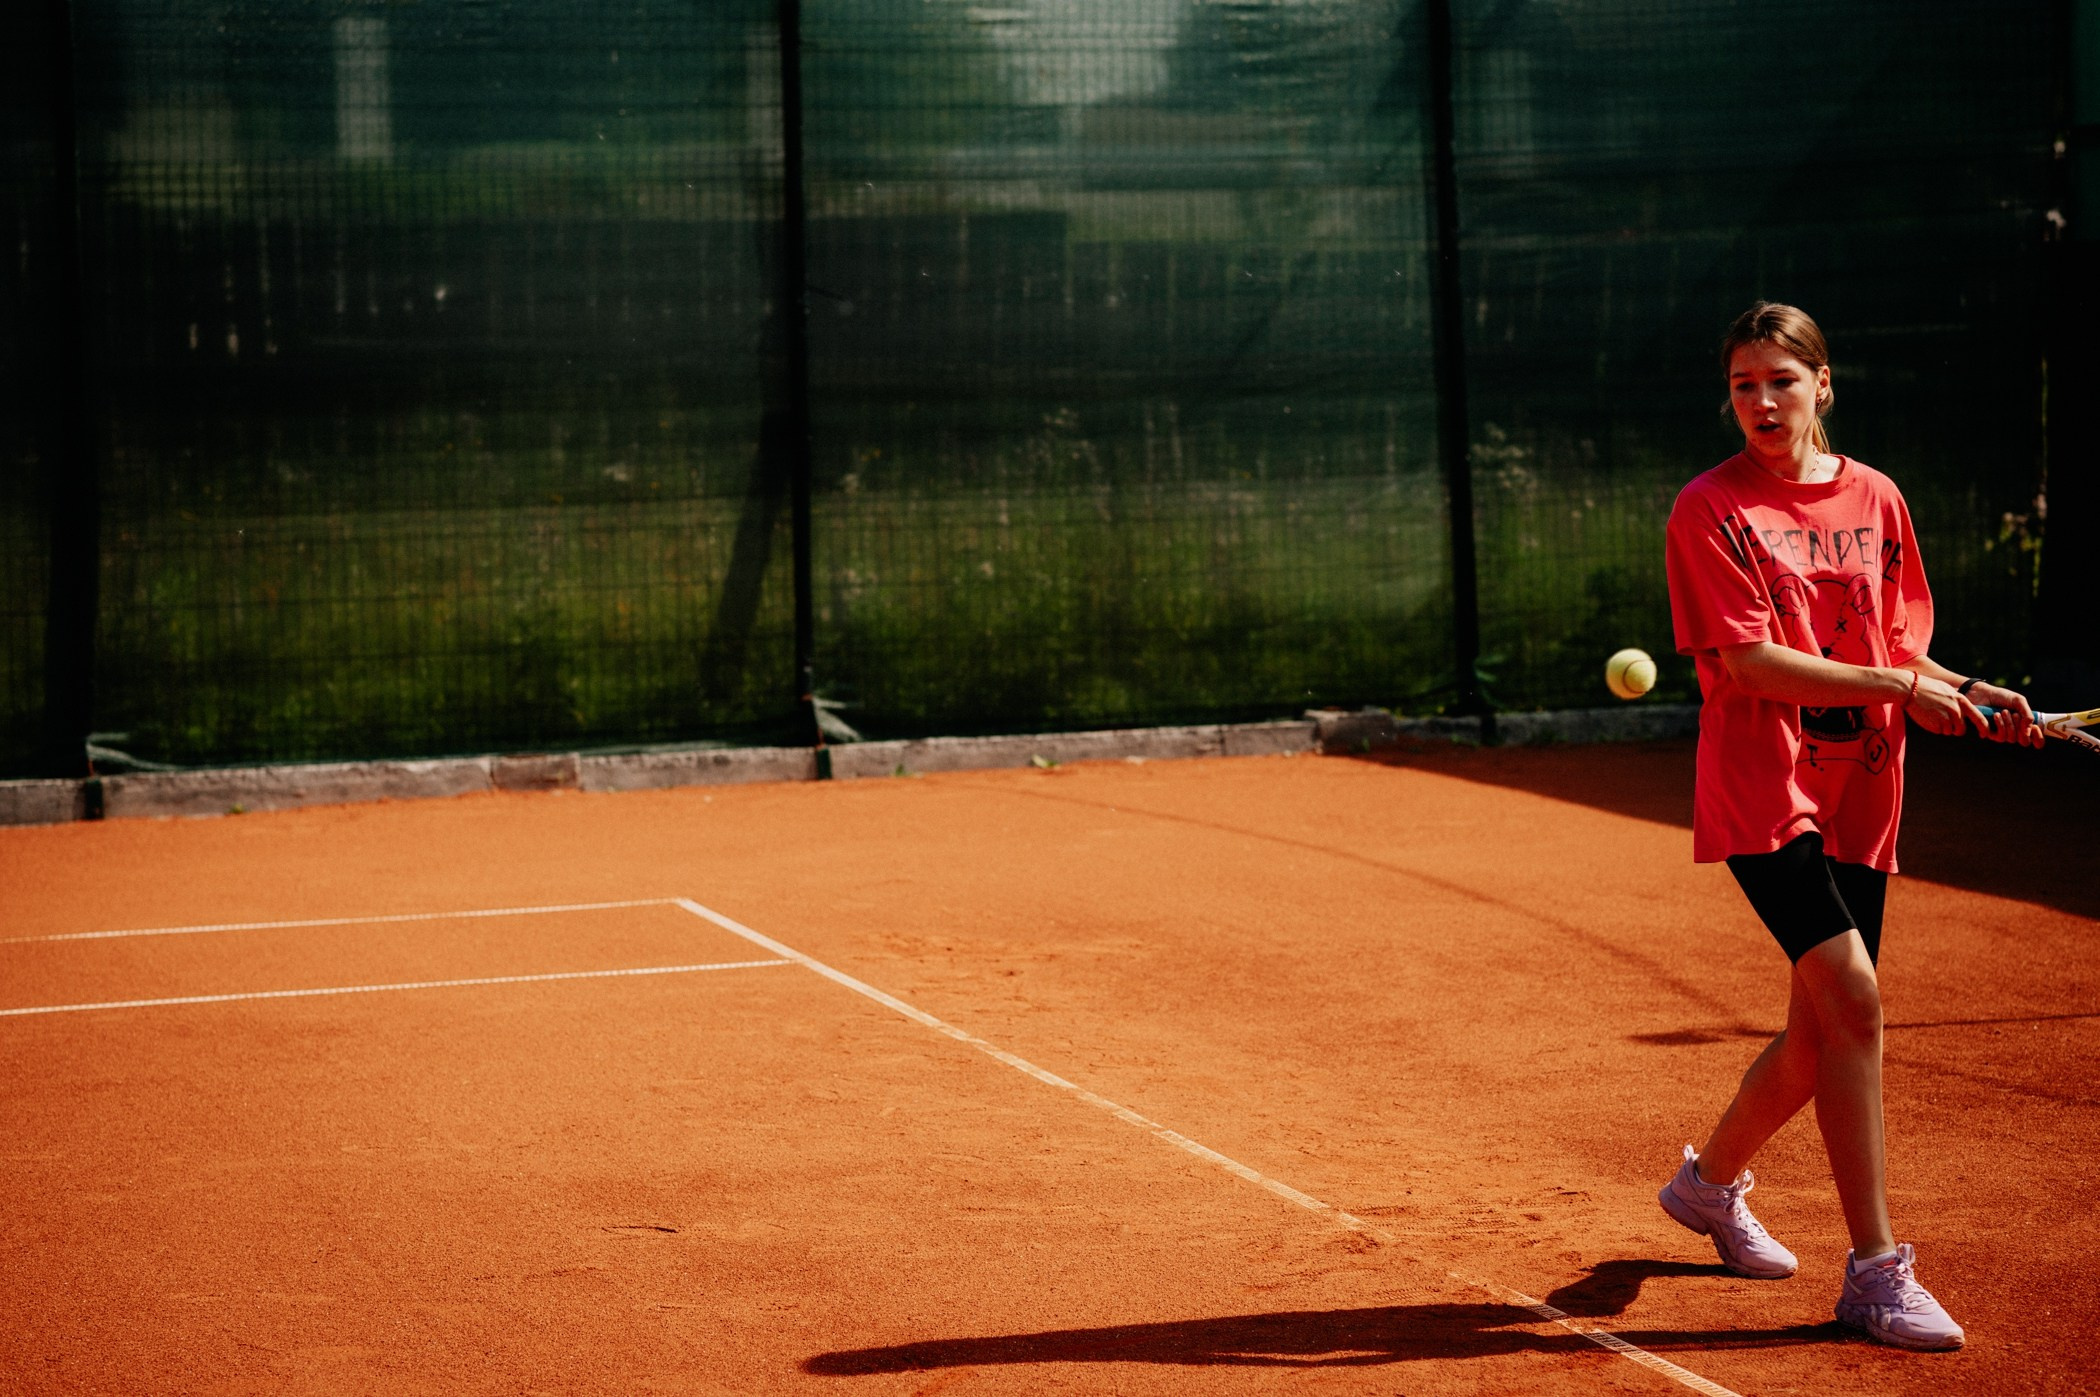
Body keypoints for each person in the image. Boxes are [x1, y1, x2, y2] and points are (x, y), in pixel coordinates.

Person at [1657, 302, 2043, 1351]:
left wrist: (1967, 688)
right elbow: (1749, 663)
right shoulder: (1708, 507)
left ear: (1822, 384)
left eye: (1781, 380)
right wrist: (1899, 685)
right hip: (1761, 790)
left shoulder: (1877, 496)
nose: (1761, 401)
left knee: (1819, 1030)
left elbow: (1894, 643)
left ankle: (1707, 1186)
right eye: (1742, 384)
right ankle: (1876, 1270)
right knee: (1858, 1001)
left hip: (1861, 790)